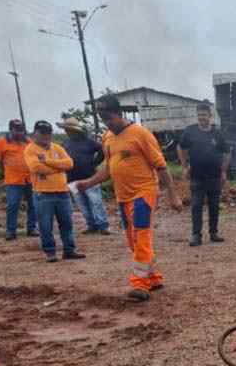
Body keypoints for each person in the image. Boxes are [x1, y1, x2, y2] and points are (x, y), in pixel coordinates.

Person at [76, 94, 182, 302]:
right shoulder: (107, 137)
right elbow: (109, 168)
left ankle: (140, 283)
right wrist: (88, 183)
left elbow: (161, 166)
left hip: (144, 192)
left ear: (118, 112)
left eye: (109, 117)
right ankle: (153, 277)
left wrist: (173, 194)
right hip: (123, 197)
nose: (107, 123)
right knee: (133, 241)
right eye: (102, 118)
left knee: (141, 237)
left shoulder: (140, 134)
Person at [23, 120, 85, 263]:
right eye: (42, 133)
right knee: (45, 226)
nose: (46, 136)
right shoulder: (30, 149)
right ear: (35, 133)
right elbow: (36, 168)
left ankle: (69, 250)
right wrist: (59, 168)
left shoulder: (57, 147)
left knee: (67, 224)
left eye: (48, 133)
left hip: (63, 192)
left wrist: (47, 161)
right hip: (43, 193)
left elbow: (69, 164)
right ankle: (50, 252)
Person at [177, 102, 230, 246]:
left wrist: (223, 171)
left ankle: (213, 233)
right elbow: (181, 147)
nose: (201, 117)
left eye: (204, 115)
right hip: (197, 175)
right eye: (199, 115)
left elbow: (227, 152)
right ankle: (196, 235)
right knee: (196, 205)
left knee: (214, 205)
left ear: (210, 116)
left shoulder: (217, 133)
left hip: (214, 176)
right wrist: (184, 166)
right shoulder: (190, 131)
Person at [58, 117, 109, 235]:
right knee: (82, 205)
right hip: (72, 179)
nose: (67, 132)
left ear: (74, 130)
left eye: (68, 130)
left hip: (89, 177)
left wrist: (95, 162)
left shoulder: (88, 142)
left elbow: (102, 149)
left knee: (96, 202)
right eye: (66, 130)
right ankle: (91, 225)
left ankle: (103, 225)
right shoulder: (65, 144)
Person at [0, 119, 37, 240]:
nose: (20, 133)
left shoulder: (28, 141)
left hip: (30, 178)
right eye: (17, 130)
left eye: (22, 130)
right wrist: (4, 171)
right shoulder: (0, 142)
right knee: (13, 205)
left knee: (33, 204)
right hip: (13, 180)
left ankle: (32, 228)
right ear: (11, 130)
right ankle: (11, 231)